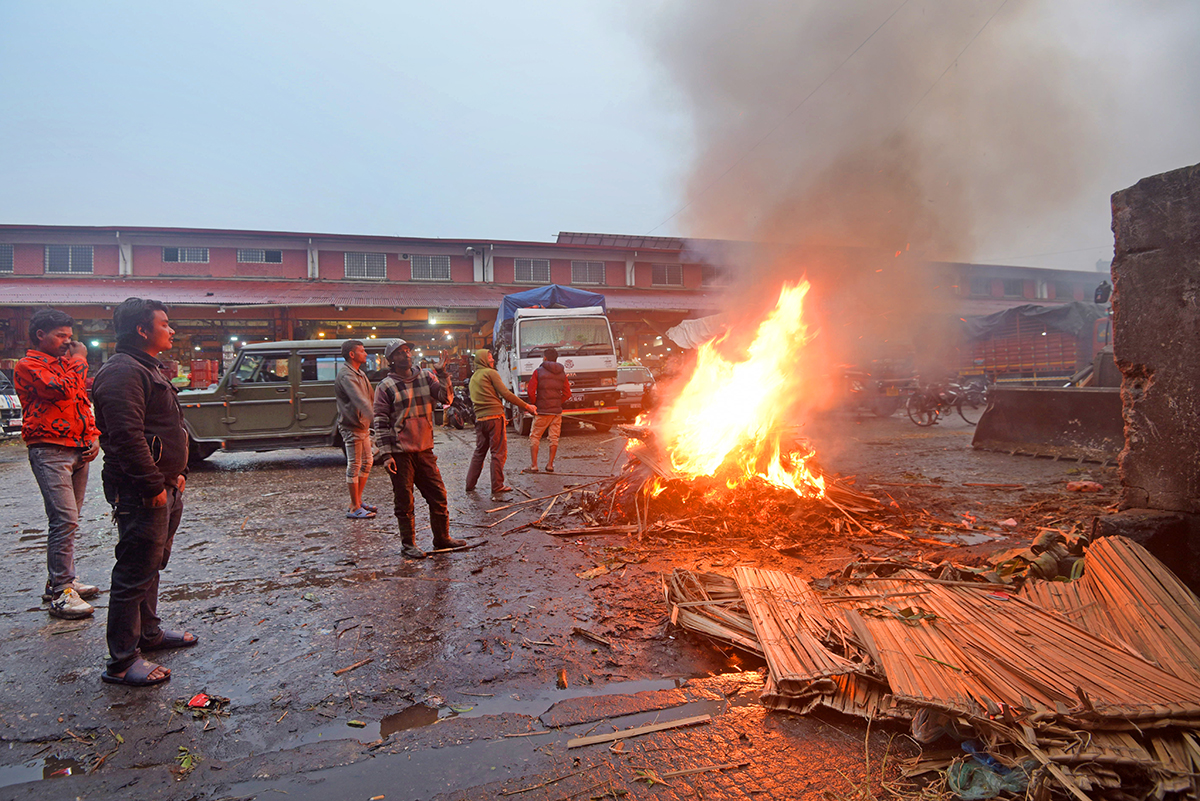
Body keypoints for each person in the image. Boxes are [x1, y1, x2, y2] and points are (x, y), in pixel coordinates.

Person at [92, 298, 195, 687]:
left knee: (151, 564)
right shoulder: (122, 372)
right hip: (141, 490)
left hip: (165, 484)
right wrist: (153, 484)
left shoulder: (145, 367)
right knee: (134, 570)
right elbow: (126, 436)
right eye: (165, 324)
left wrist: (176, 473)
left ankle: (147, 634)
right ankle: (121, 661)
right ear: (141, 329)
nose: (171, 330)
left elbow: (164, 427)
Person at [15, 308, 101, 620]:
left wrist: (92, 436)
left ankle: (61, 579)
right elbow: (59, 391)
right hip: (50, 450)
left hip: (78, 449)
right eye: (60, 336)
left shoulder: (65, 365)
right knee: (64, 519)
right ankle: (62, 591)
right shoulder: (28, 365)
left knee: (71, 518)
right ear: (40, 335)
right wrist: (79, 360)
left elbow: (81, 402)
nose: (67, 342)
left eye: (69, 336)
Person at [373, 339, 464, 559]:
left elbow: (446, 398)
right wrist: (386, 455)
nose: (407, 355)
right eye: (400, 353)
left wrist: (443, 375)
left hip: (424, 450)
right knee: (405, 501)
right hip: (399, 453)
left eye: (408, 351)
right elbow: (381, 422)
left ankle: (442, 538)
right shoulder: (385, 386)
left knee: (438, 495)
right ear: (391, 360)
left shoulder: (426, 377)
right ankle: (408, 545)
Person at [465, 349, 536, 501]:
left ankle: (469, 484)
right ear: (483, 359)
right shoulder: (490, 373)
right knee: (498, 452)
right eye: (489, 357)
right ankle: (497, 486)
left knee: (479, 452)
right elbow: (506, 393)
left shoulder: (473, 378)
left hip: (480, 419)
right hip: (495, 417)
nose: (492, 360)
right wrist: (527, 406)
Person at [334, 339, 375, 519]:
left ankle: (358, 501)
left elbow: (370, 397)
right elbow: (360, 400)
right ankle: (353, 506)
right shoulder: (346, 375)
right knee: (355, 465)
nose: (365, 354)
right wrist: (377, 419)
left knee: (368, 462)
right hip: (353, 426)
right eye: (362, 351)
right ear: (352, 354)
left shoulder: (359, 373)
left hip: (362, 425)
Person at [524, 348, 571, 474]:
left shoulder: (538, 372)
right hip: (556, 411)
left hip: (542, 410)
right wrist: (557, 402)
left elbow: (530, 391)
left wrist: (535, 404)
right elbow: (568, 393)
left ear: (544, 358)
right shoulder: (562, 373)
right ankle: (550, 464)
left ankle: (534, 465)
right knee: (554, 438)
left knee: (535, 436)